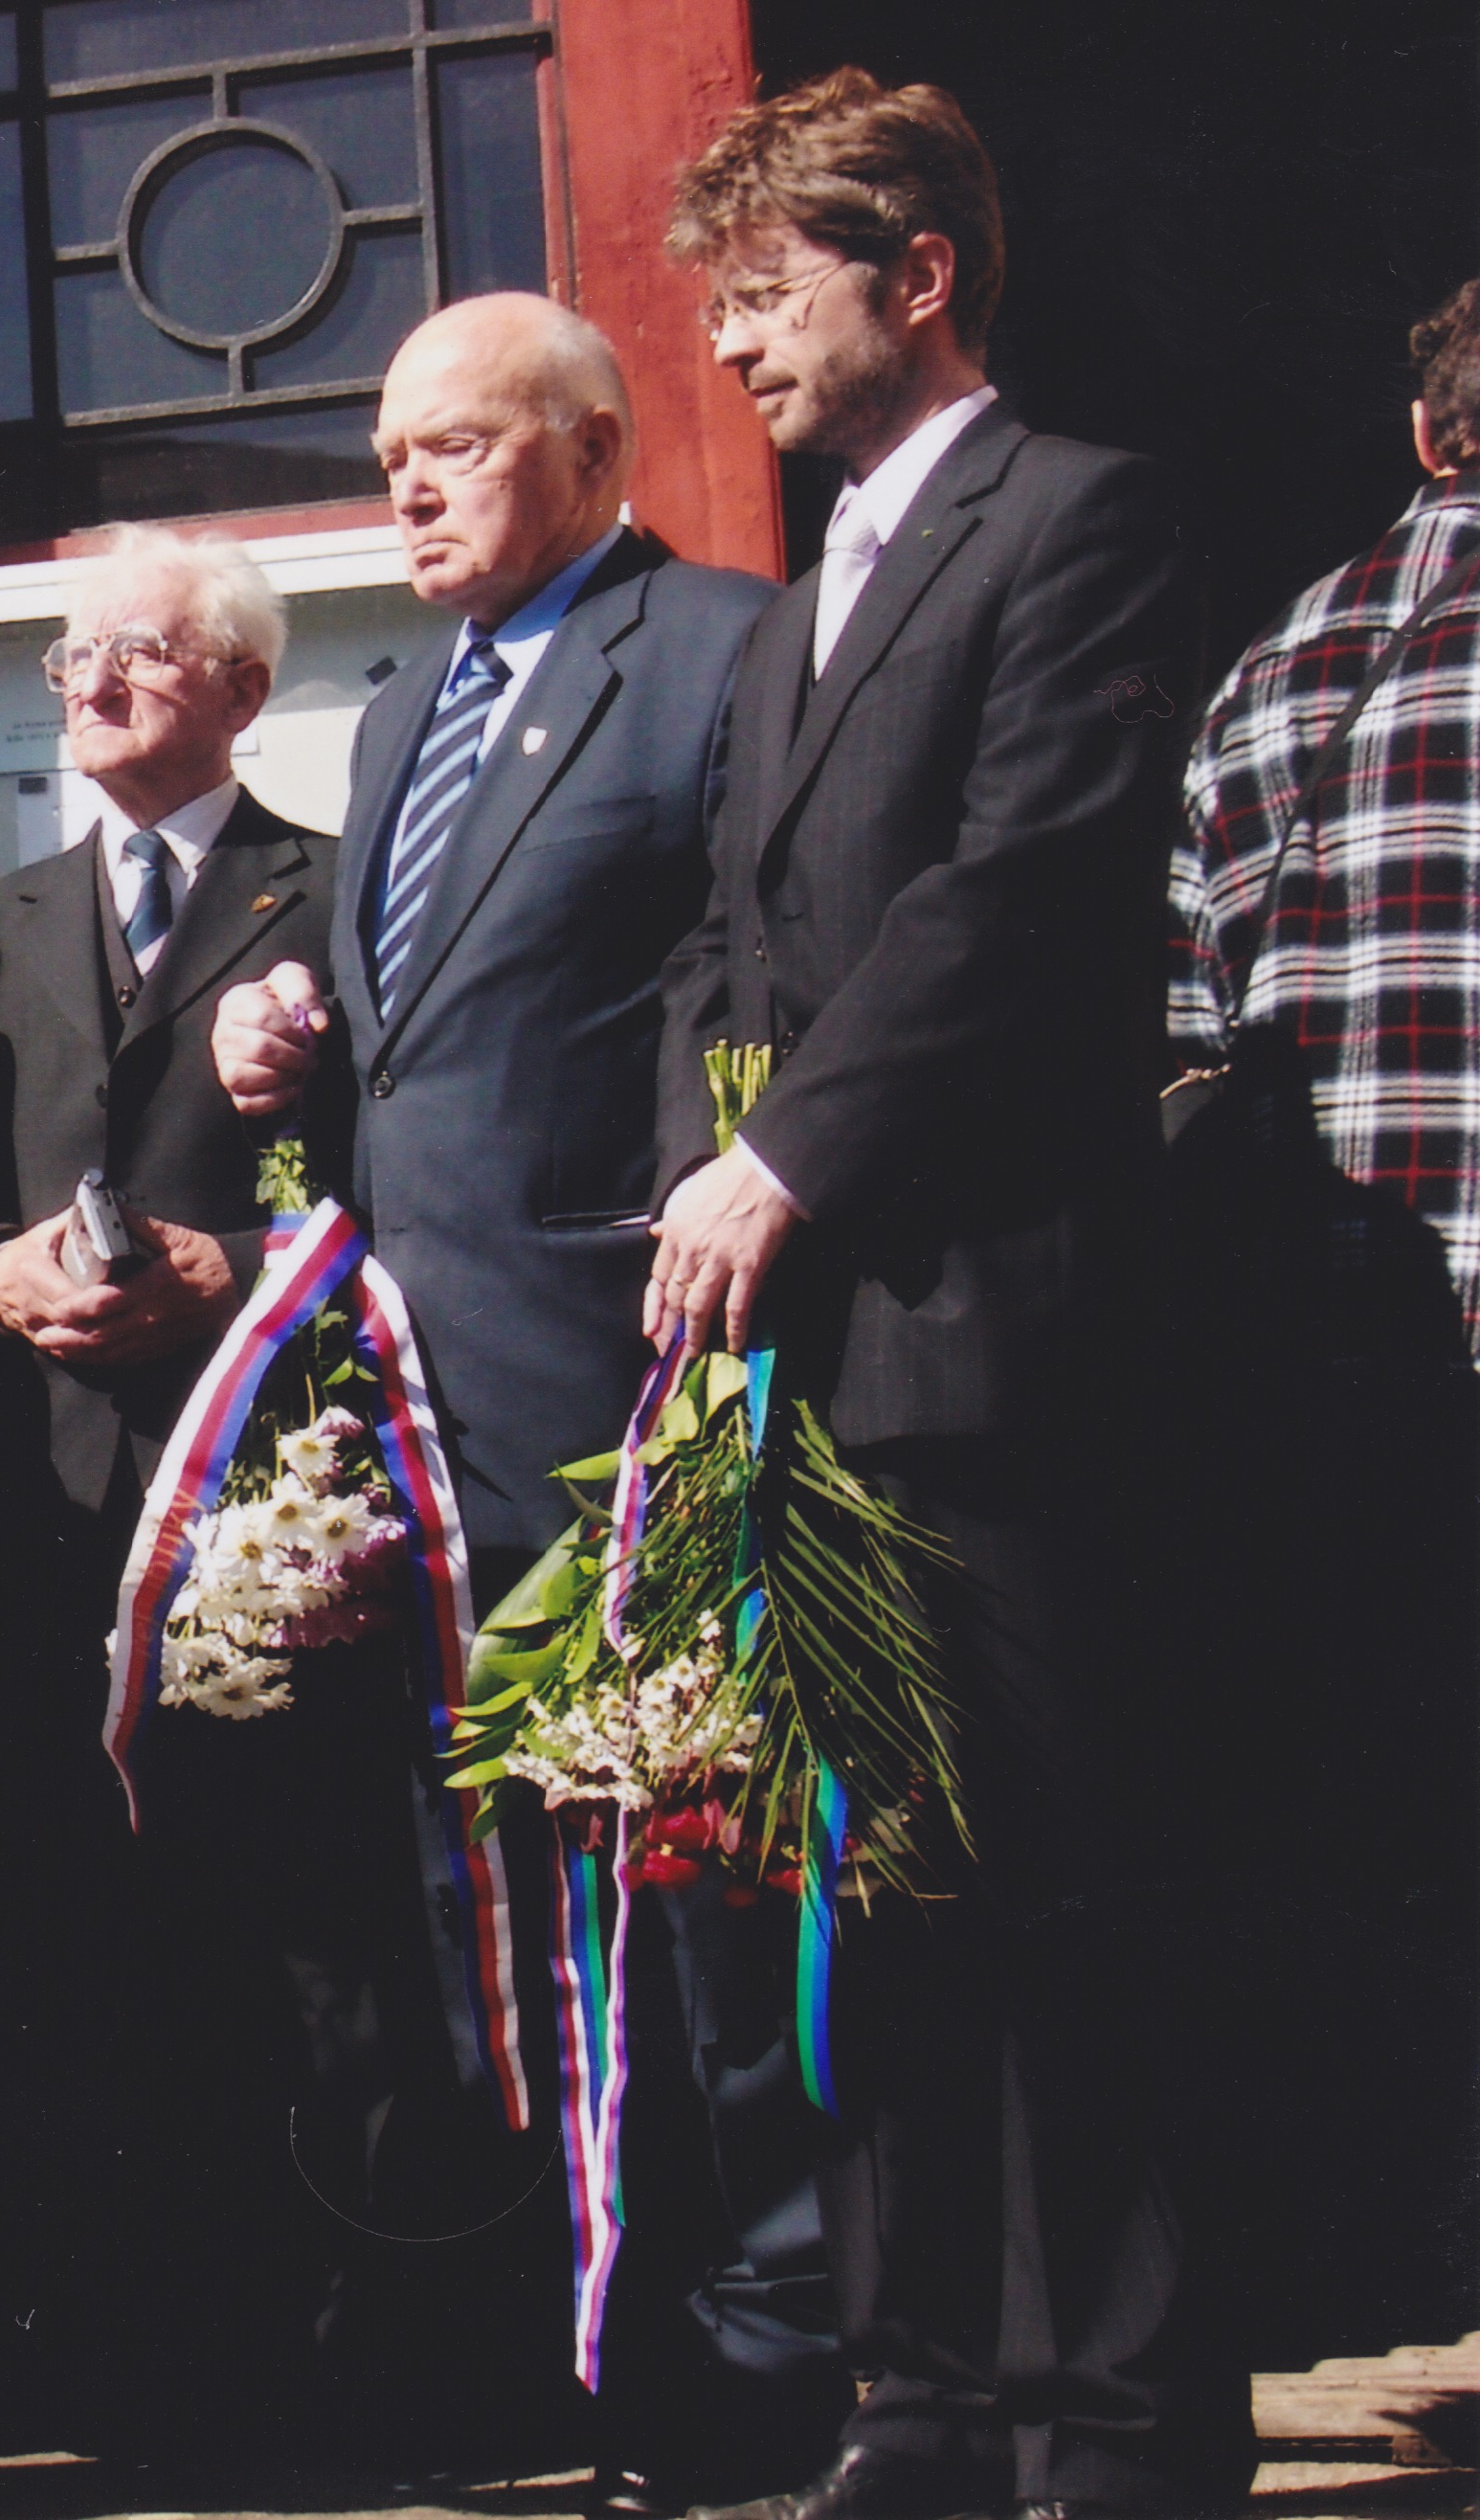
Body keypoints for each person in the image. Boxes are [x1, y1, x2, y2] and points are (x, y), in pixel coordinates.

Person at [652, 73, 1245, 2520]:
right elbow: (726, 944)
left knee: (1051, 1898)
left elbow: (1015, 890)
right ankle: (909, 2402)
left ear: (915, 277)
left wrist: (783, 1157)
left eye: (762, 294)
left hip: (992, 1332)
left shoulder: (1080, 517)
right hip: (798, 1352)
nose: (726, 349)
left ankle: (1109, 2424)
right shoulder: (793, 614)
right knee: (862, 1905)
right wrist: (694, 1184)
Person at [212, 293, 838, 2508]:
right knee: (512, 1915)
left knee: (695, 1898)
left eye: (451, 446)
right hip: (429, 1419)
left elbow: (753, 982)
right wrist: (292, 1042)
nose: (401, 487)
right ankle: (602, 2339)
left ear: (587, 448)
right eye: (386, 453)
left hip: (635, 1388)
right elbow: (426, 1044)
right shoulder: (398, 713)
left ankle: (774, 2352)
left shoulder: (724, 647)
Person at [0, 522, 342, 2445]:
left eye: (138, 648)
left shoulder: (334, 888)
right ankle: (93, 2349)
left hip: (257, 1499)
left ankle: (274, 2349)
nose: (88, 675)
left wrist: (232, 1269)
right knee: (65, 1924)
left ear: (240, 684)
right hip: (46, 1509)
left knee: (255, 1925)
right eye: (70, 651)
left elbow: (379, 1177)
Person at [1164, 276, 1480, 2364]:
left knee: (1385, 1815)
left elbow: (1179, 1025)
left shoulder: (1273, 663)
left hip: (1333, 1347)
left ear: (1428, 436)